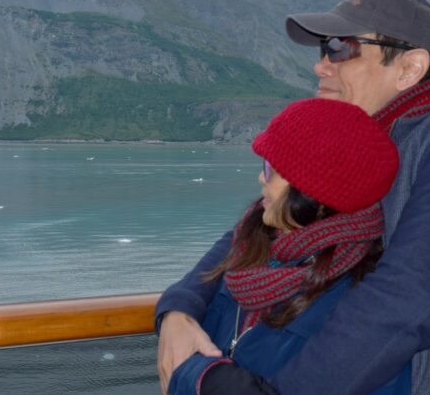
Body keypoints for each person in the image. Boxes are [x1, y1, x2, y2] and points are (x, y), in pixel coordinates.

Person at [157, 0, 430, 395]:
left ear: (409, 67)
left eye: (341, 48)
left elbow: (402, 302)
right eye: (324, 48)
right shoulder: (360, 141)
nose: (321, 66)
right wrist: (179, 308)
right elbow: (256, 228)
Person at [167, 97, 410, 395]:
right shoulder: (254, 248)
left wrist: (193, 372)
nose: (260, 177)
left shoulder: (359, 302)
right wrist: (175, 314)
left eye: (270, 168)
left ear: (314, 189)